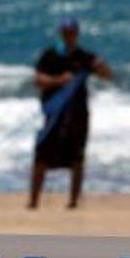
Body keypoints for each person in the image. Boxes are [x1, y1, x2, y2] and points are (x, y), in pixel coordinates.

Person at [29, 17, 113, 210]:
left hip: (77, 114)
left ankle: (74, 201)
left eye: (71, 32)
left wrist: (100, 66)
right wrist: (59, 81)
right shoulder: (50, 55)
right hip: (53, 114)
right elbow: (38, 80)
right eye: (65, 31)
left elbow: (108, 75)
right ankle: (34, 201)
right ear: (61, 33)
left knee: (77, 157)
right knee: (42, 155)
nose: (68, 35)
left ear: (76, 33)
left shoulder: (84, 57)